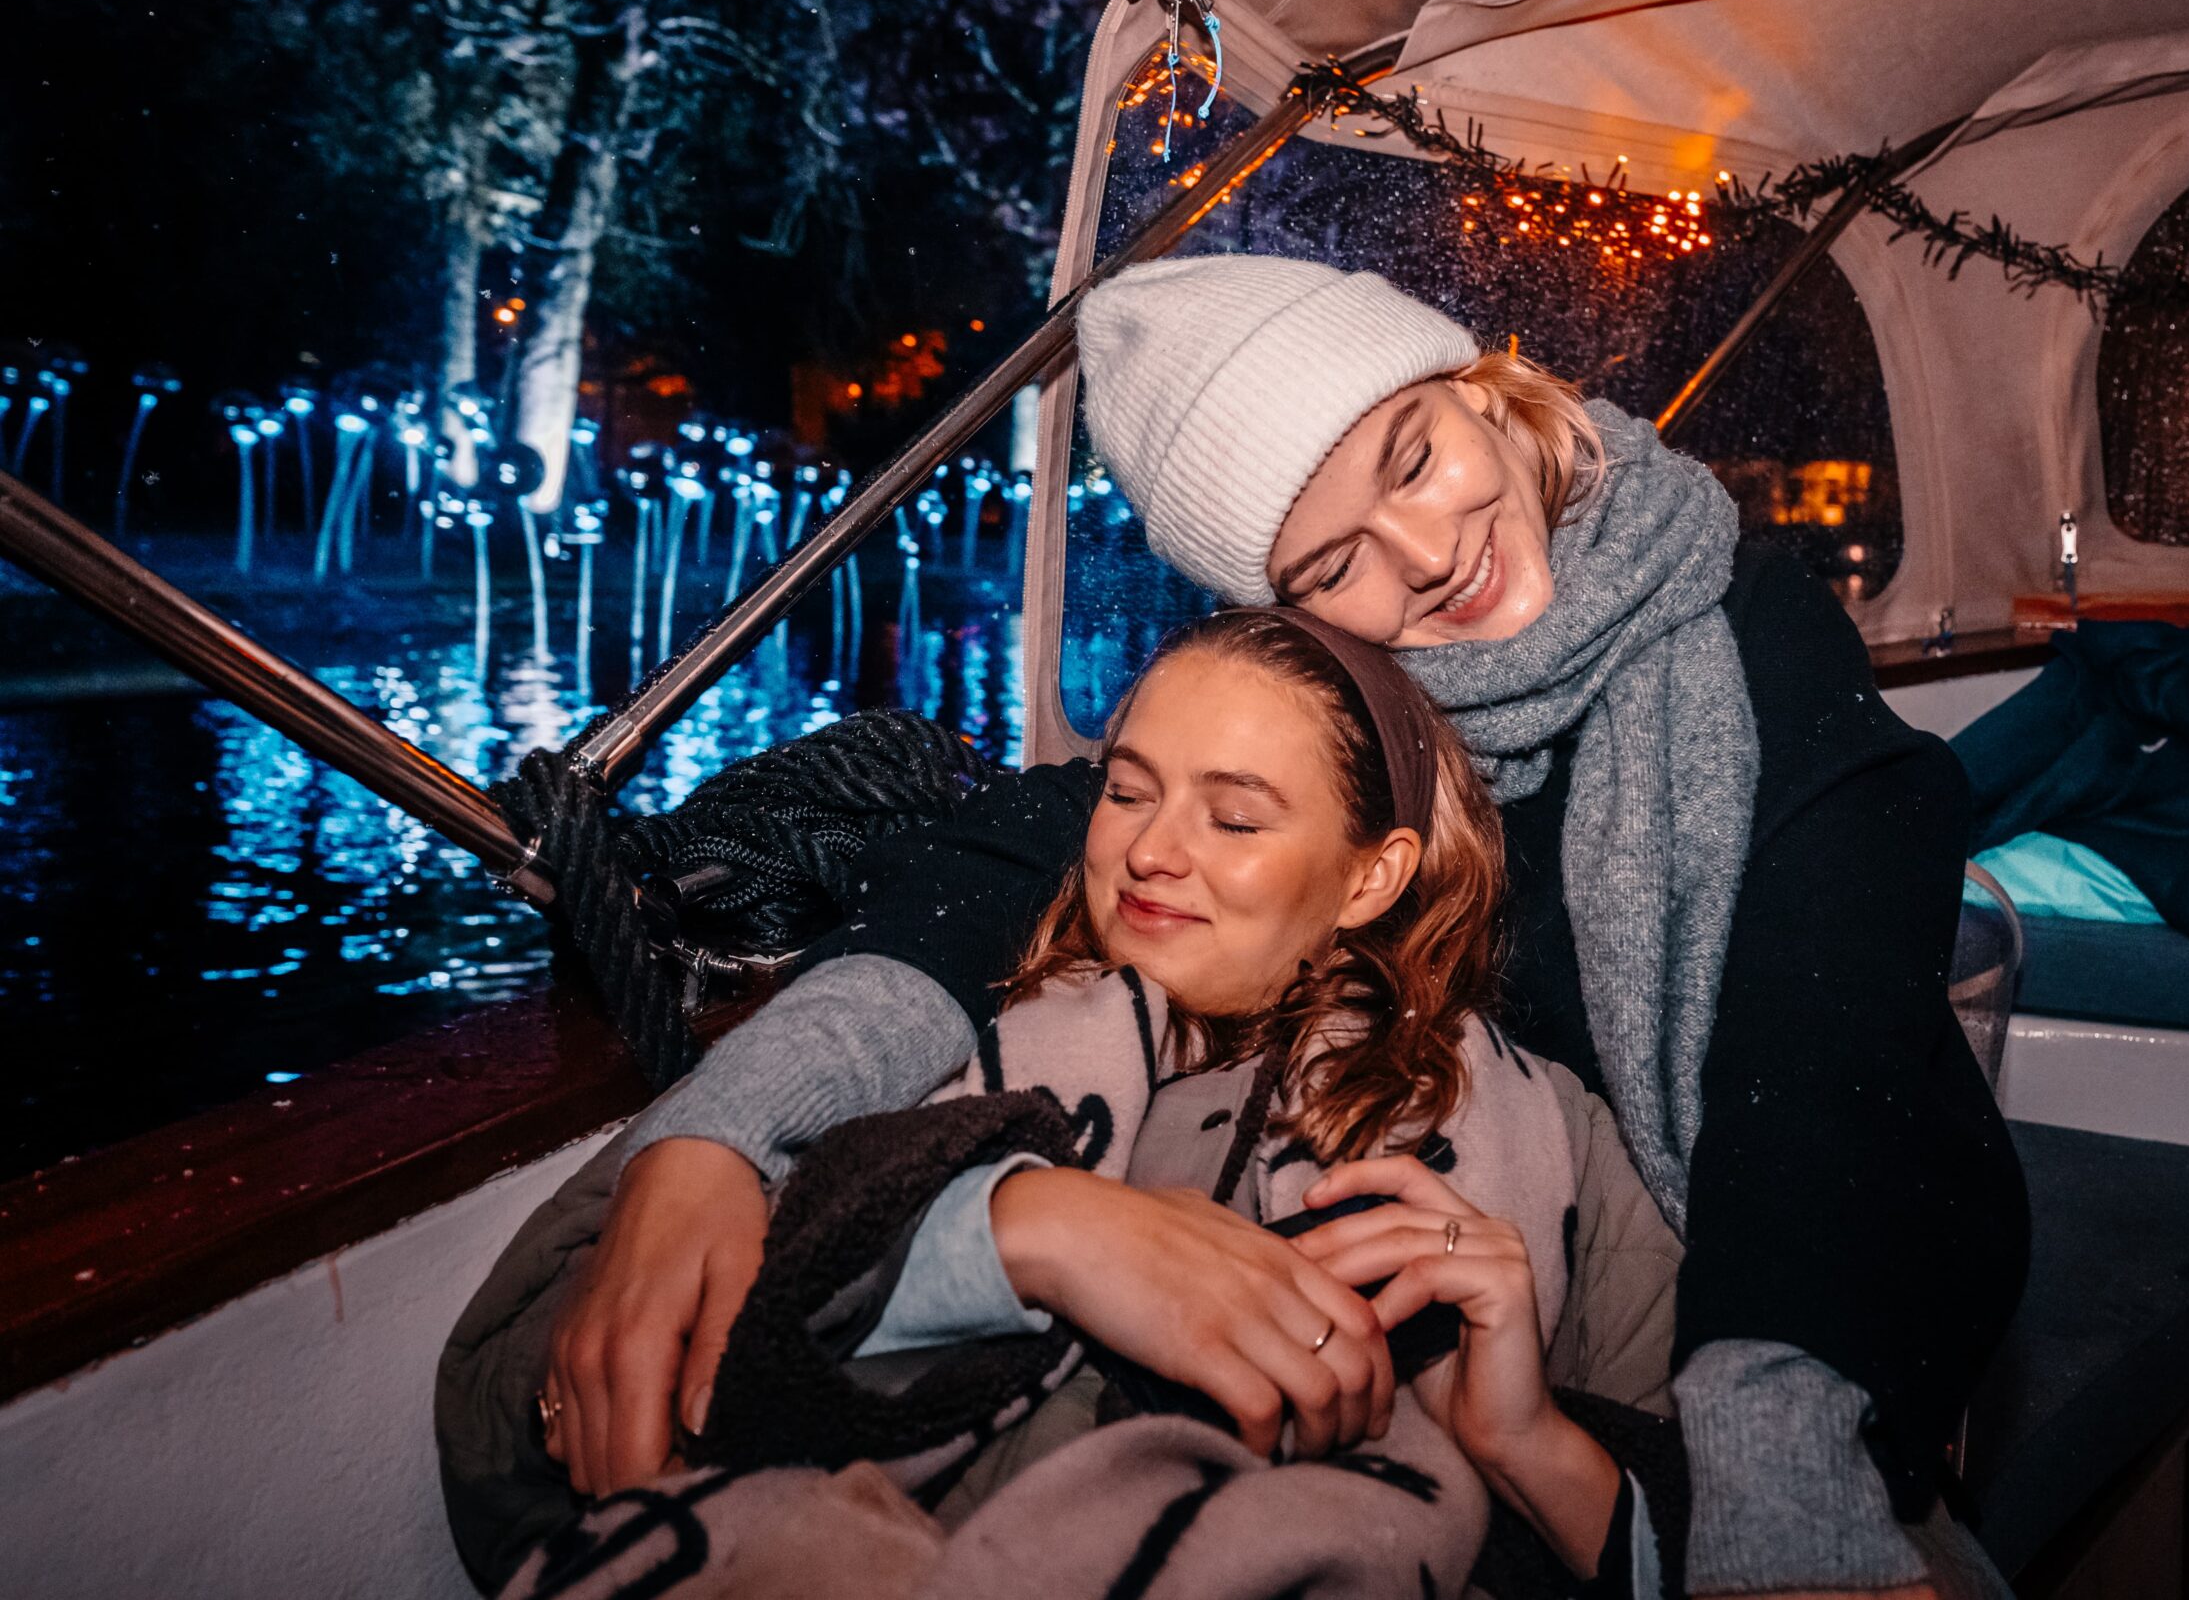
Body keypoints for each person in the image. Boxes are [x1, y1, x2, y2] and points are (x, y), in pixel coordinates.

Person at [509, 254, 2029, 1597]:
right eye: (1331, 566)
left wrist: (1776, 1472)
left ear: (1482, 385)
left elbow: (1818, 1043)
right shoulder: (1359, 741)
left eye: (1414, 457)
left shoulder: (1747, 633)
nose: (1424, 552)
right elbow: (1017, 844)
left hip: (1815, 1290)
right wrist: (714, 1134)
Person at [459, 611, 1696, 1597]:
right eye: (1127, 789)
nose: (1151, 850)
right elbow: (512, 1405)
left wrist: (1524, 1443)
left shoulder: (1555, 1138)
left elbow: (1711, 1556)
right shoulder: (944, 1036)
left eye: (1235, 816)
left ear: (1370, 877)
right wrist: (1015, 1233)